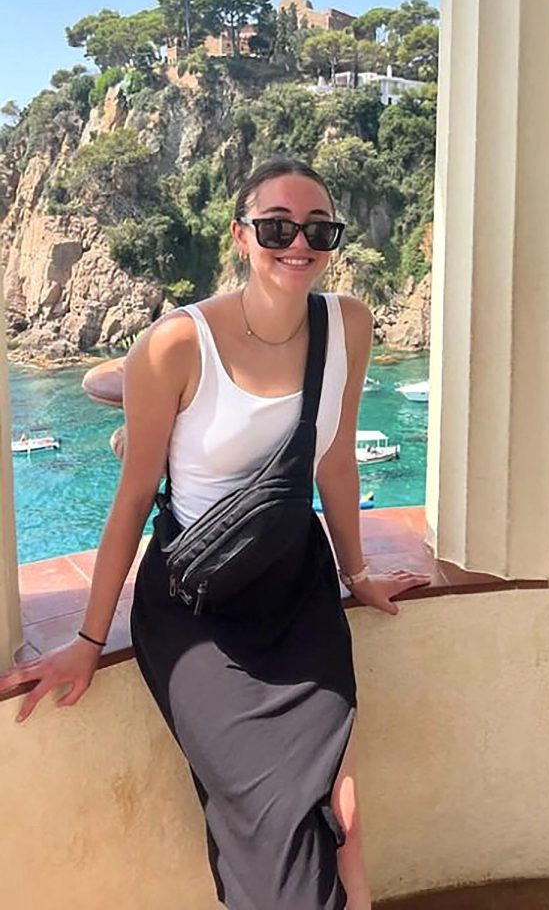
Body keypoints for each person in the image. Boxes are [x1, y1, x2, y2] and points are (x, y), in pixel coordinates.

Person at [0, 156, 430, 909]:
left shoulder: (349, 325)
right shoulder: (176, 345)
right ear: (241, 235)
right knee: (267, 828)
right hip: (198, 614)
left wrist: (358, 575)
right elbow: (132, 501)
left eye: (317, 228)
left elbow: (333, 460)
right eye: (276, 226)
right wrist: (89, 641)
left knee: (345, 817)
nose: (298, 242)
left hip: (297, 594)